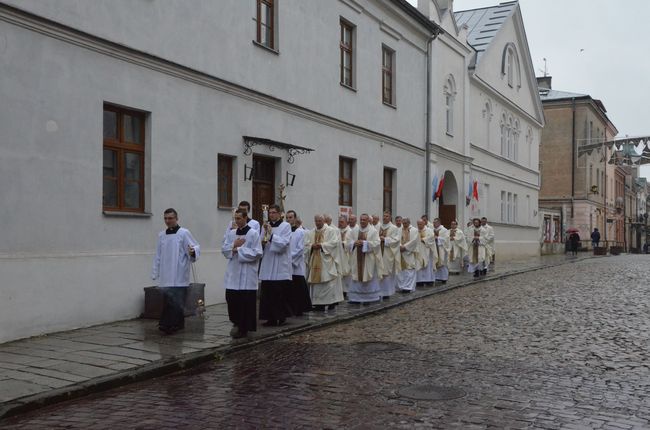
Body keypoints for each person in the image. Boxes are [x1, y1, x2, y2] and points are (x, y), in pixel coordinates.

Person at [151, 208, 200, 335]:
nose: (168, 221)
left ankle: (173, 324)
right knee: (168, 300)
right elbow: (158, 254)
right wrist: (155, 271)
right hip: (166, 273)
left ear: (176, 219)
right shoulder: (161, 235)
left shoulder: (184, 233)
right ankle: (169, 324)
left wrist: (192, 251)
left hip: (179, 272)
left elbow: (195, 246)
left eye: (170, 218)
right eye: (165, 218)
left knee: (177, 300)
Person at [222, 208, 263, 338]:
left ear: (245, 218)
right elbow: (224, 249)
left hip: (247, 273)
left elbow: (258, 252)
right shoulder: (231, 233)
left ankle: (244, 327)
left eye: (239, 218)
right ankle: (236, 322)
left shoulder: (253, 233)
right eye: (235, 218)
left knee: (245, 302)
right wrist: (233, 246)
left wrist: (238, 249)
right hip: (234, 272)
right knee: (231, 298)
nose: (237, 221)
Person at [258, 204, 293, 327]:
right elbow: (260, 242)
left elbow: (284, 243)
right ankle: (269, 318)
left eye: (273, 212)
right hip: (268, 261)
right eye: (270, 212)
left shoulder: (285, 226)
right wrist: (263, 239)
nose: (271, 214)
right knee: (267, 293)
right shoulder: (266, 226)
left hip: (279, 263)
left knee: (278, 293)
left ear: (279, 214)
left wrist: (272, 235)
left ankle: (280, 316)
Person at [305, 214, 343, 311]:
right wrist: (311, 246)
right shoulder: (311, 232)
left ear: (323, 221)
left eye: (319, 221)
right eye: (316, 221)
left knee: (327, 282)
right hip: (315, 260)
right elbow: (306, 244)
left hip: (326, 260)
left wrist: (322, 246)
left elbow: (335, 243)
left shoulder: (330, 231)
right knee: (316, 283)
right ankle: (318, 303)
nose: (317, 223)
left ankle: (329, 302)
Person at [346, 214, 383, 304]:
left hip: (368, 259)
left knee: (368, 276)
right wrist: (354, 243)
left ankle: (369, 298)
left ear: (368, 221)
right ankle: (355, 298)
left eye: (364, 220)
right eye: (361, 220)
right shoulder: (354, 230)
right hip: (356, 258)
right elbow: (347, 242)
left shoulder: (373, 231)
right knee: (355, 276)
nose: (362, 221)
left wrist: (365, 243)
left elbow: (377, 244)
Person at [285, 210, 312, 316]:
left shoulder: (301, 232)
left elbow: (301, 248)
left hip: (297, 263)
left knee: (299, 287)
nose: (288, 219)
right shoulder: (286, 231)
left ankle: (300, 308)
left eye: (290, 217)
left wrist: (290, 258)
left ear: (295, 218)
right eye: (287, 218)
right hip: (287, 264)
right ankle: (291, 308)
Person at [378, 211, 401, 299]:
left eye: (387, 216)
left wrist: (385, 239)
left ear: (390, 218)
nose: (385, 218)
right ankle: (379, 291)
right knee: (379, 271)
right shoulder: (379, 227)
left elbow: (396, 240)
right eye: (384, 216)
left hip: (388, 253)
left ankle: (387, 293)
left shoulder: (394, 228)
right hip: (379, 252)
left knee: (386, 273)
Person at [396, 217, 419, 293]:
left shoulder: (414, 230)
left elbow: (414, 241)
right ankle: (401, 286)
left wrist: (405, 247)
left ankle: (408, 287)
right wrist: (399, 246)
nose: (404, 224)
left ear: (409, 223)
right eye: (403, 223)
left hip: (409, 252)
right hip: (400, 252)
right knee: (401, 271)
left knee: (409, 270)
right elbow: (397, 239)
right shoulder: (399, 230)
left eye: (405, 223)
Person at [415, 218, 437, 287]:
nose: (419, 225)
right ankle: (419, 281)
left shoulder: (429, 230)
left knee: (428, 265)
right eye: (418, 224)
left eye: (420, 224)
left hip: (427, 251)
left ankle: (429, 280)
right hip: (418, 251)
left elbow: (432, 238)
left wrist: (424, 239)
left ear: (424, 223)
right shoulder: (415, 231)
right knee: (419, 264)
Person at [432, 218, 450, 284]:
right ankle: (436, 277)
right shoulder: (433, 230)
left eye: (435, 223)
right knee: (435, 261)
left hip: (442, 249)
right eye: (433, 223)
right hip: (435, 248)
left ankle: (443, 278)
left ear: (439, 223)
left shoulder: (444, 230)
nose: (433, 224)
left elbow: (446, 240)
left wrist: (438, 238)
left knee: (443, 263)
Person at [338, 215, 352, 297]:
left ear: (346, 222)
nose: (340, 223)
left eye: (342, 222)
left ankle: (346, 291)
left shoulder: (350, 231)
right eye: (339, 222)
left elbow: (351, 243)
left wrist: (343, 244)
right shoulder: (337, 230)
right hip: (339, 255)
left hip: (347, 255)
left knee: (347, 273)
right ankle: (340, 290)